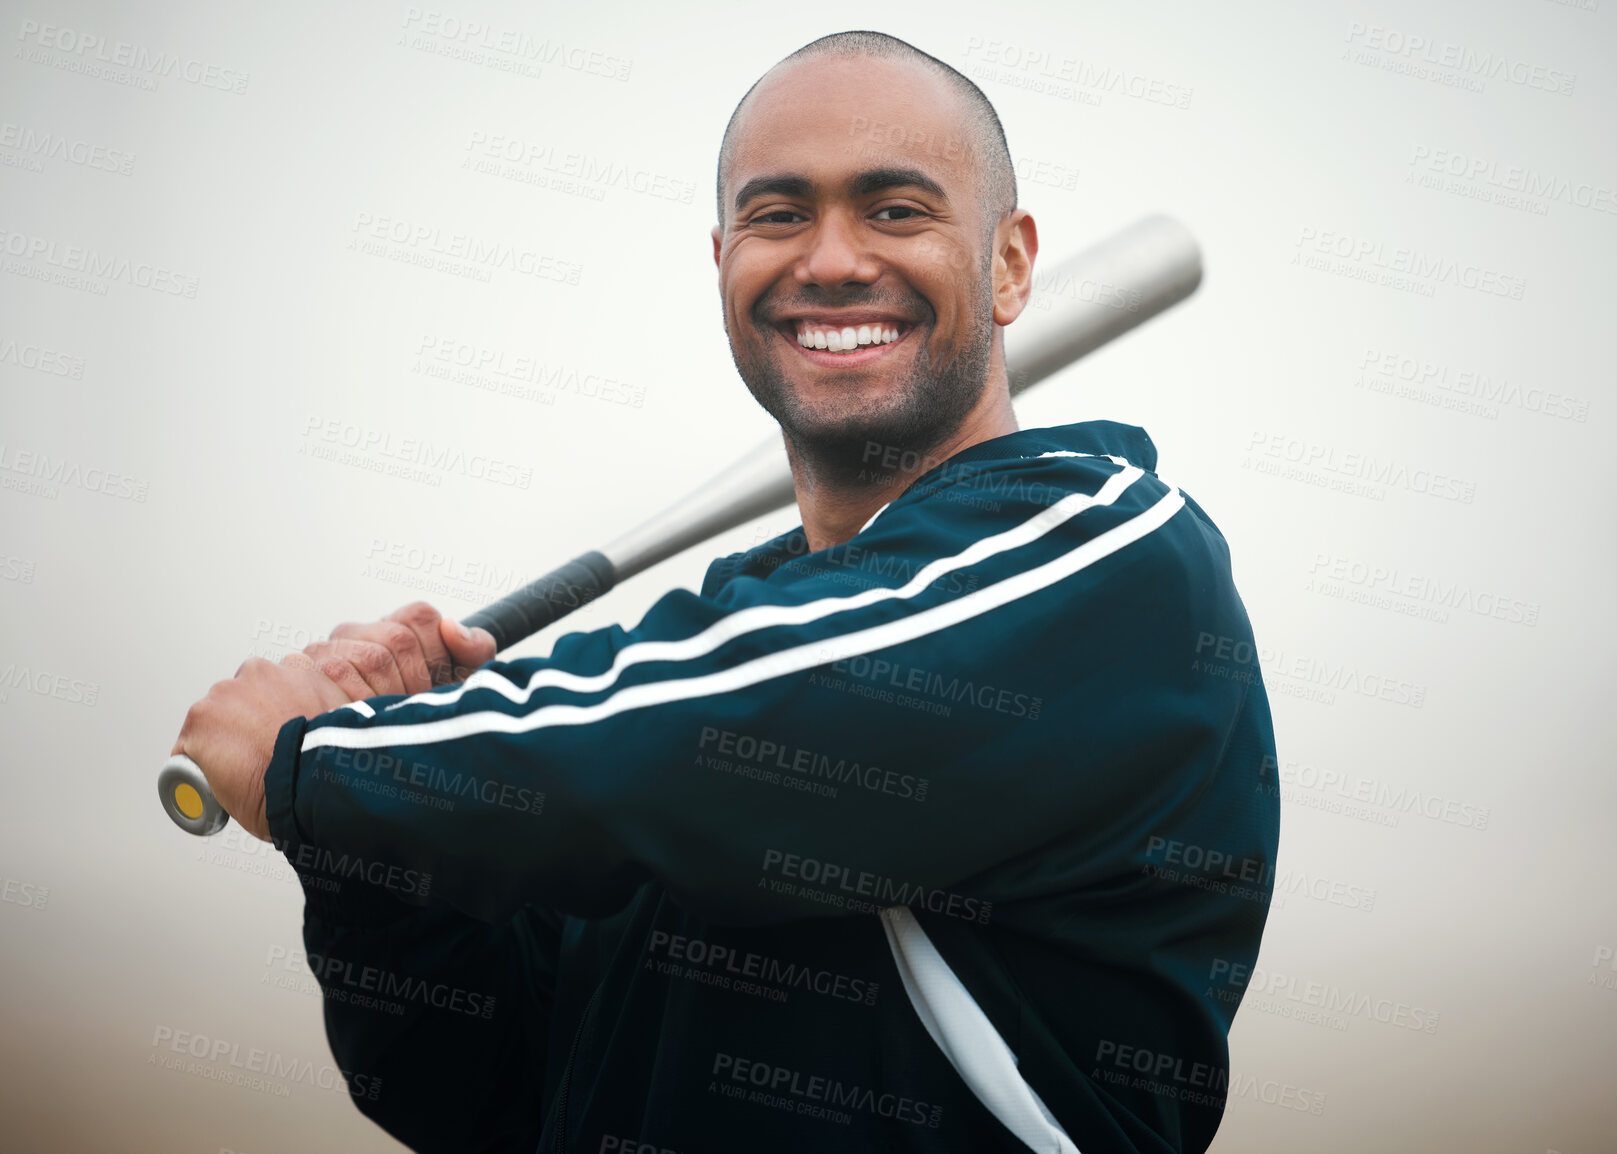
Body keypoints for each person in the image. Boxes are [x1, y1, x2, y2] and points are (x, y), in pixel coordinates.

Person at [171, 30, 1279, 1153]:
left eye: (896, 208)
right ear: (721, 263)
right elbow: (491, 1095)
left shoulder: (1111, 551)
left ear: (1009, 264)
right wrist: (371, 855)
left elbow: (739, 734)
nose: (833, 260)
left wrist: (329, 761)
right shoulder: (698, 670)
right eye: (779, 214)